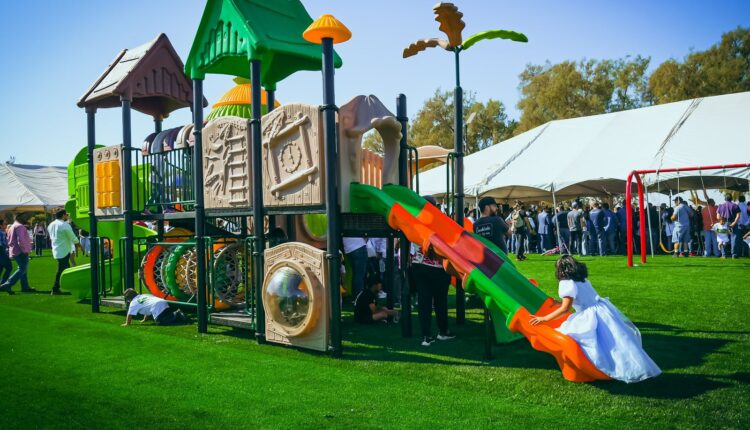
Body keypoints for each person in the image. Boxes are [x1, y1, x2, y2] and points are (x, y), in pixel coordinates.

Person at [529, 256, 661, 383]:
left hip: (588, 314)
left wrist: (544, 318)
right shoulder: (582, 279)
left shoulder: (566, 282)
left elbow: (565, 308)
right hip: (601, 309)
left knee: (575, 336)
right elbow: (579, 299)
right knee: (613, 341)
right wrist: (558, 303)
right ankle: (625, 365)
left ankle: (592, 365)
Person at [410, 195, 455, 346]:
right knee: (440, 301)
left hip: (419, 266)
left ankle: (426, 336)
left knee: (424, 301)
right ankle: (443, 331)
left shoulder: (414, 220)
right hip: (437, 268)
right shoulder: (439, 221)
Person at [0, 214, 35, 294]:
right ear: (18, 218)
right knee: (22, 269)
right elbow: (21, 240)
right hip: (21, 251)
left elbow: (9, 239)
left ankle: (25, 287)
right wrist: (25, 250)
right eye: (24, 217)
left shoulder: (12, 227)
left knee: (23, 269)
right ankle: (7, 284)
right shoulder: (20, 226)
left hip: (14, 251)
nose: (26, 218)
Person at [47, 210, 79, 295]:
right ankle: (55, 288)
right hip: (64, 249)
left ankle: (63, 286)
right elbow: (72, 236)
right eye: (66, 215)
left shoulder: (51, 225)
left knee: (65, 268)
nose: (67, 216)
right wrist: (78, 244)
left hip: (56, 249)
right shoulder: (64, 225)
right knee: (62, 270)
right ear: (63, 215)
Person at [122, 288, 189, 326]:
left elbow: (129, 314)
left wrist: (127, 323)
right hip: (162, 302)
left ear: (128, 299)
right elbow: (147, 307)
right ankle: (176, 316)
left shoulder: (133, 303)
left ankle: (177, 314)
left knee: (160, 322)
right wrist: (144, 319)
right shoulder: (143, 295)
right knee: (166, 316)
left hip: (157, 306)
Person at [716, 194, 741, 258]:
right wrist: (734, 223)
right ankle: (734, 254)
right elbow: (738, 215)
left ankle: (724, 254)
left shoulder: (721, 206)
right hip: (732, 223)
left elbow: (718, 217)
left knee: (723, 239)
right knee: (734, 239)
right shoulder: (735, 205)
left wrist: (721, 222)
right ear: (731, 198)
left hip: (723, 223)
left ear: (725, 199)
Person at [0, 219, 12, 284]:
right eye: (4, 224)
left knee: (0, 268)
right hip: (1, 251)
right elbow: (2, 243)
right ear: (0, 225)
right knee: (9, 267)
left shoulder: (2, 232)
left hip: (2, 251)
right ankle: (3, 283)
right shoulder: (1, 233)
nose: (5, 225)